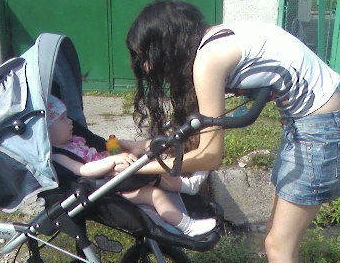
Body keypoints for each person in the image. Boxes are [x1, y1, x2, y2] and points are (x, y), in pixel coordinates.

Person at [125, 0, 340, 263]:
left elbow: (210, 155)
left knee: (279, 245)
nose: (146, 67)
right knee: (275, 239)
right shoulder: (214, 41)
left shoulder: (209, 60)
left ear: (164, 44)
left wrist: (148, 165)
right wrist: (145, 148)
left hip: (319, 135)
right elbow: (197, 131)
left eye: (145, 56)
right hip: (309, 127)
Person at [46, 95, 216, 237]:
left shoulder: (74, 141)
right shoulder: (57, 155)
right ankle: (187, 226)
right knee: (155, 195)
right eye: (62, 119)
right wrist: (112, 161)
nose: (70, 122)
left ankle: (186, 186)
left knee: (148, 167)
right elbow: (83, 169)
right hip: (107, 188)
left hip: (115, 177)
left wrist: (109, 154)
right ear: (46, 130)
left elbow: (92, 156)